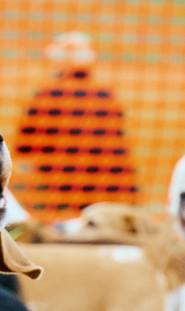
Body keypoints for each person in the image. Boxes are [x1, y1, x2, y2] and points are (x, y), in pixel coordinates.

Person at [12, 31, 140, 222]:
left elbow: (24, 152)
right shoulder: (106, 96)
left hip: (66, 193)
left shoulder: (47, 97)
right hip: (116, 192)